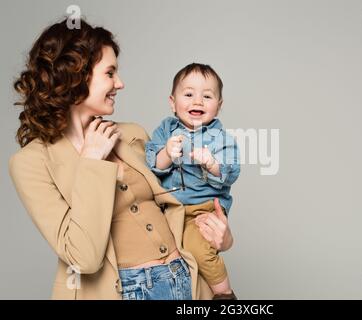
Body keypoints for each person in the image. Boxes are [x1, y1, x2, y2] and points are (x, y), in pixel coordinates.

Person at [9, 18, 233, 300]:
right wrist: (92, 160)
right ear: (76, 76)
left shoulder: (132, 134)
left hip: (186, 281)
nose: (120, 83)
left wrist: (222, 238)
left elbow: (181, 205)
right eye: (110, 73)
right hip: (124, 292)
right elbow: (84, 258)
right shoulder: (31, 162)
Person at [145, 63, 240, 299]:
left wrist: (211, 163)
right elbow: (151, 163)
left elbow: (232, 170)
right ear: (172, 102)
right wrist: (166, 153)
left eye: (207, 96)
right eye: (188, 94)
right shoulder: (165, 130)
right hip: (169, 208)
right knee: (163, 254)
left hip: (203, 208)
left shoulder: (219, 137)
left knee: (199, 249)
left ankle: (225, 294)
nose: (197, 101)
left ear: (218, 106)